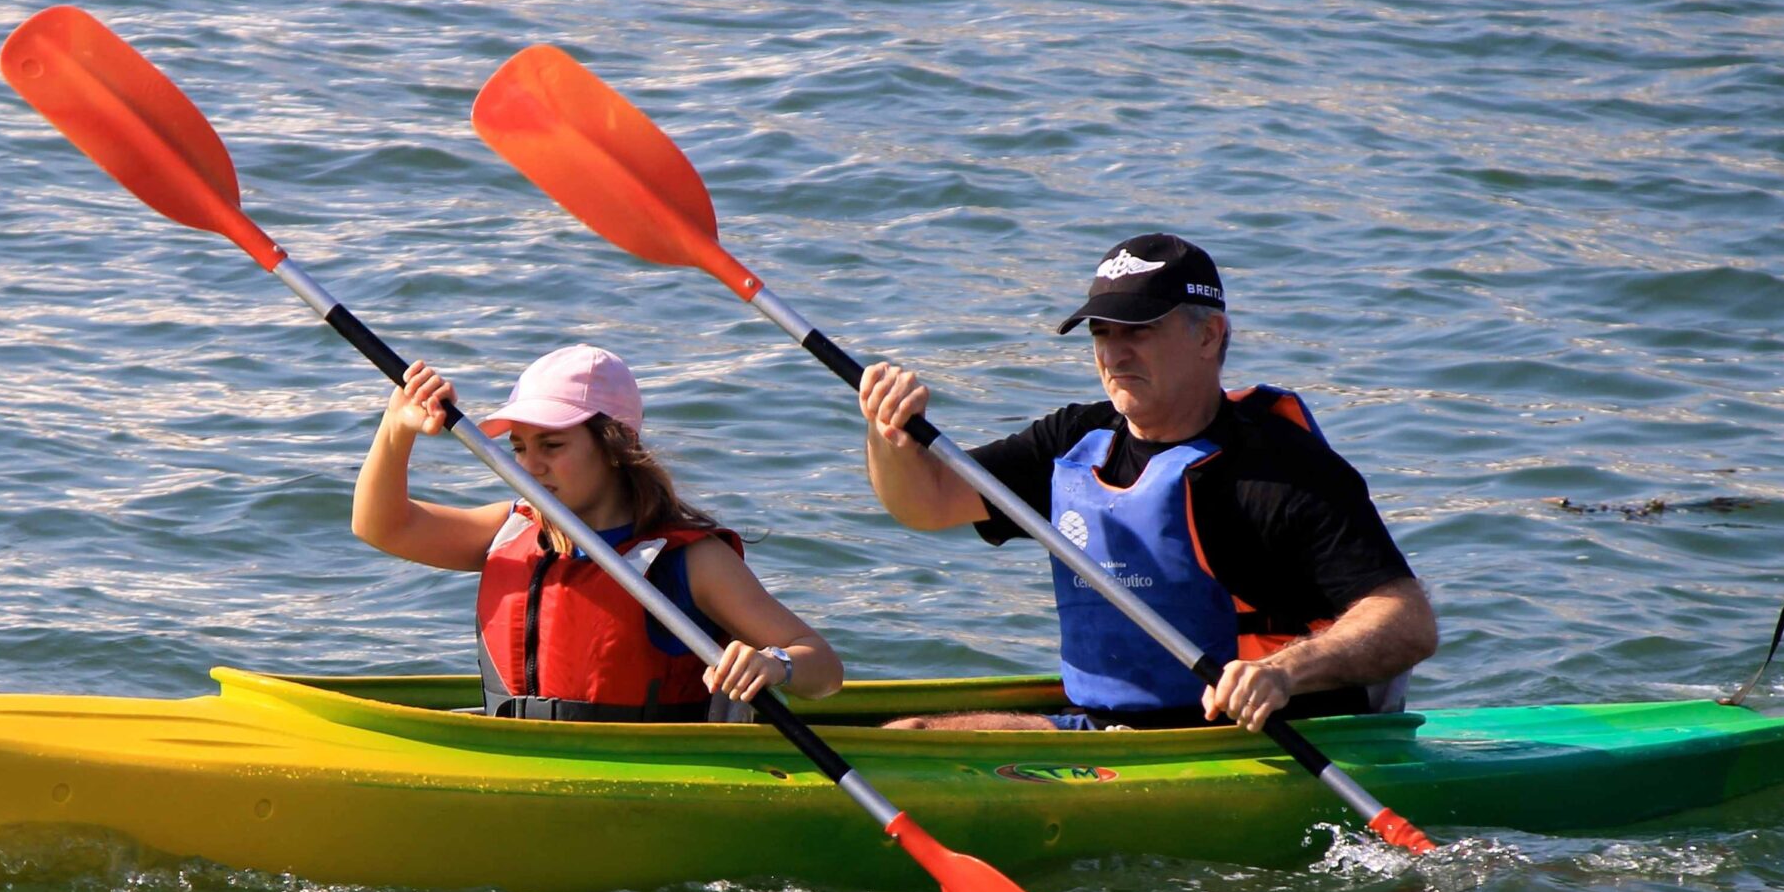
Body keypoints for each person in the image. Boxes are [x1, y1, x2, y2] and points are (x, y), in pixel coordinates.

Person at [856, 233, 1436, 733]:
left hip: (1256, 734)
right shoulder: (1074, 440)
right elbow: (926, 503)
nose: (1114, 352)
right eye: (1101, 334)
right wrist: (888, 434)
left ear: (1209, 335)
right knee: (912, 731)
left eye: (1139, 329)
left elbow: (1406, 620)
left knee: (915, 734)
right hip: (1114, 727)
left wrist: (1284, 672)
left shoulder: (1282, 469)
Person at [353, 342, 842, 720]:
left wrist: (776, 663)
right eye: (520, 448)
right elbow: (381, 525)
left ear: (615, 444)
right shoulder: (508, 529)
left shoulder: (691, 561)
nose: (532, 466)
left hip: (640, 776)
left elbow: (824, 668)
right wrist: (397, 428)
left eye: (552, 444)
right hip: (520, 754)